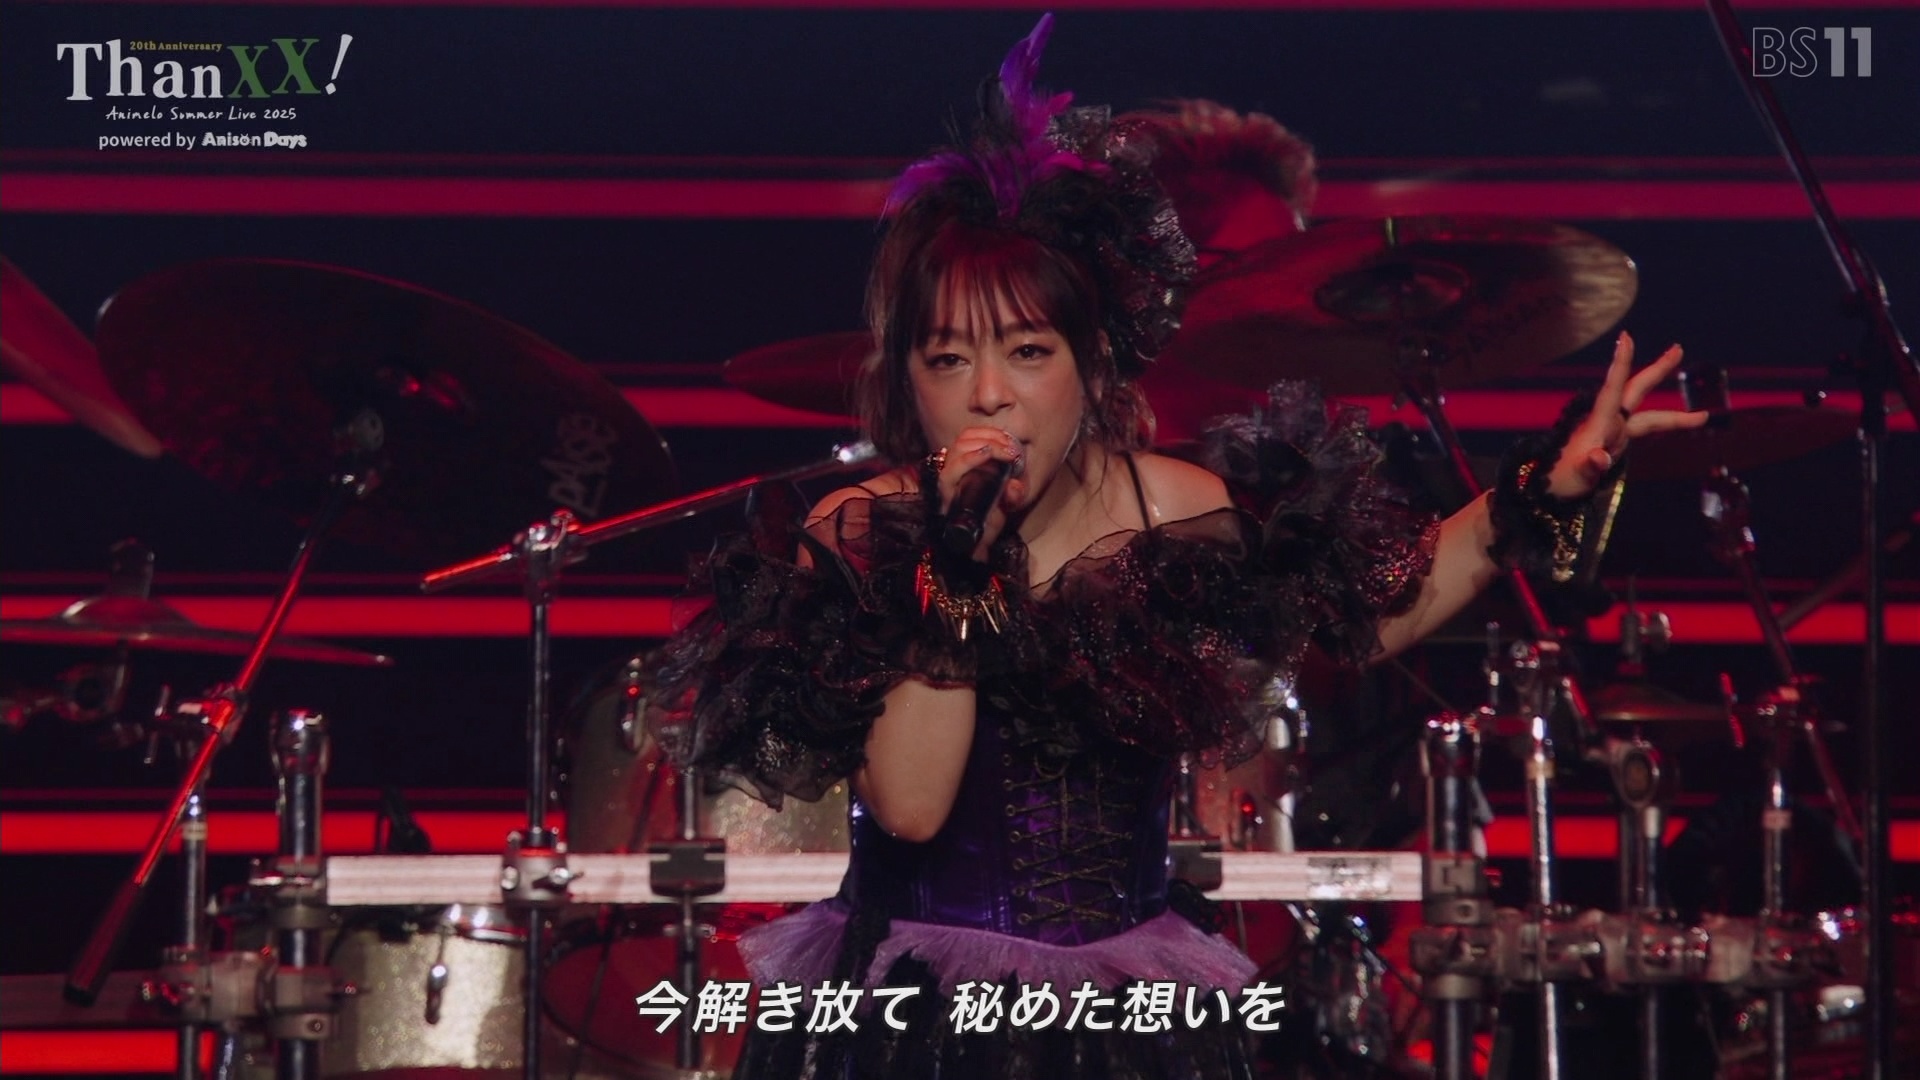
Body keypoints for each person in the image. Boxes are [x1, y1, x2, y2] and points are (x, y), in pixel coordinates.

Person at [644, 15, 1706, 1079]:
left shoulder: (1177, 508)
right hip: (918, 1020)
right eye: (948, 358)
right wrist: (956, 556)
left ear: (1091, 363)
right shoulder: (865, 527)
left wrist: (1540, 490)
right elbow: (915, 807)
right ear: (908, 377)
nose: (988, 394)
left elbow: (1372, 617)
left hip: (1133, 1013)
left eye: (1027, 351)